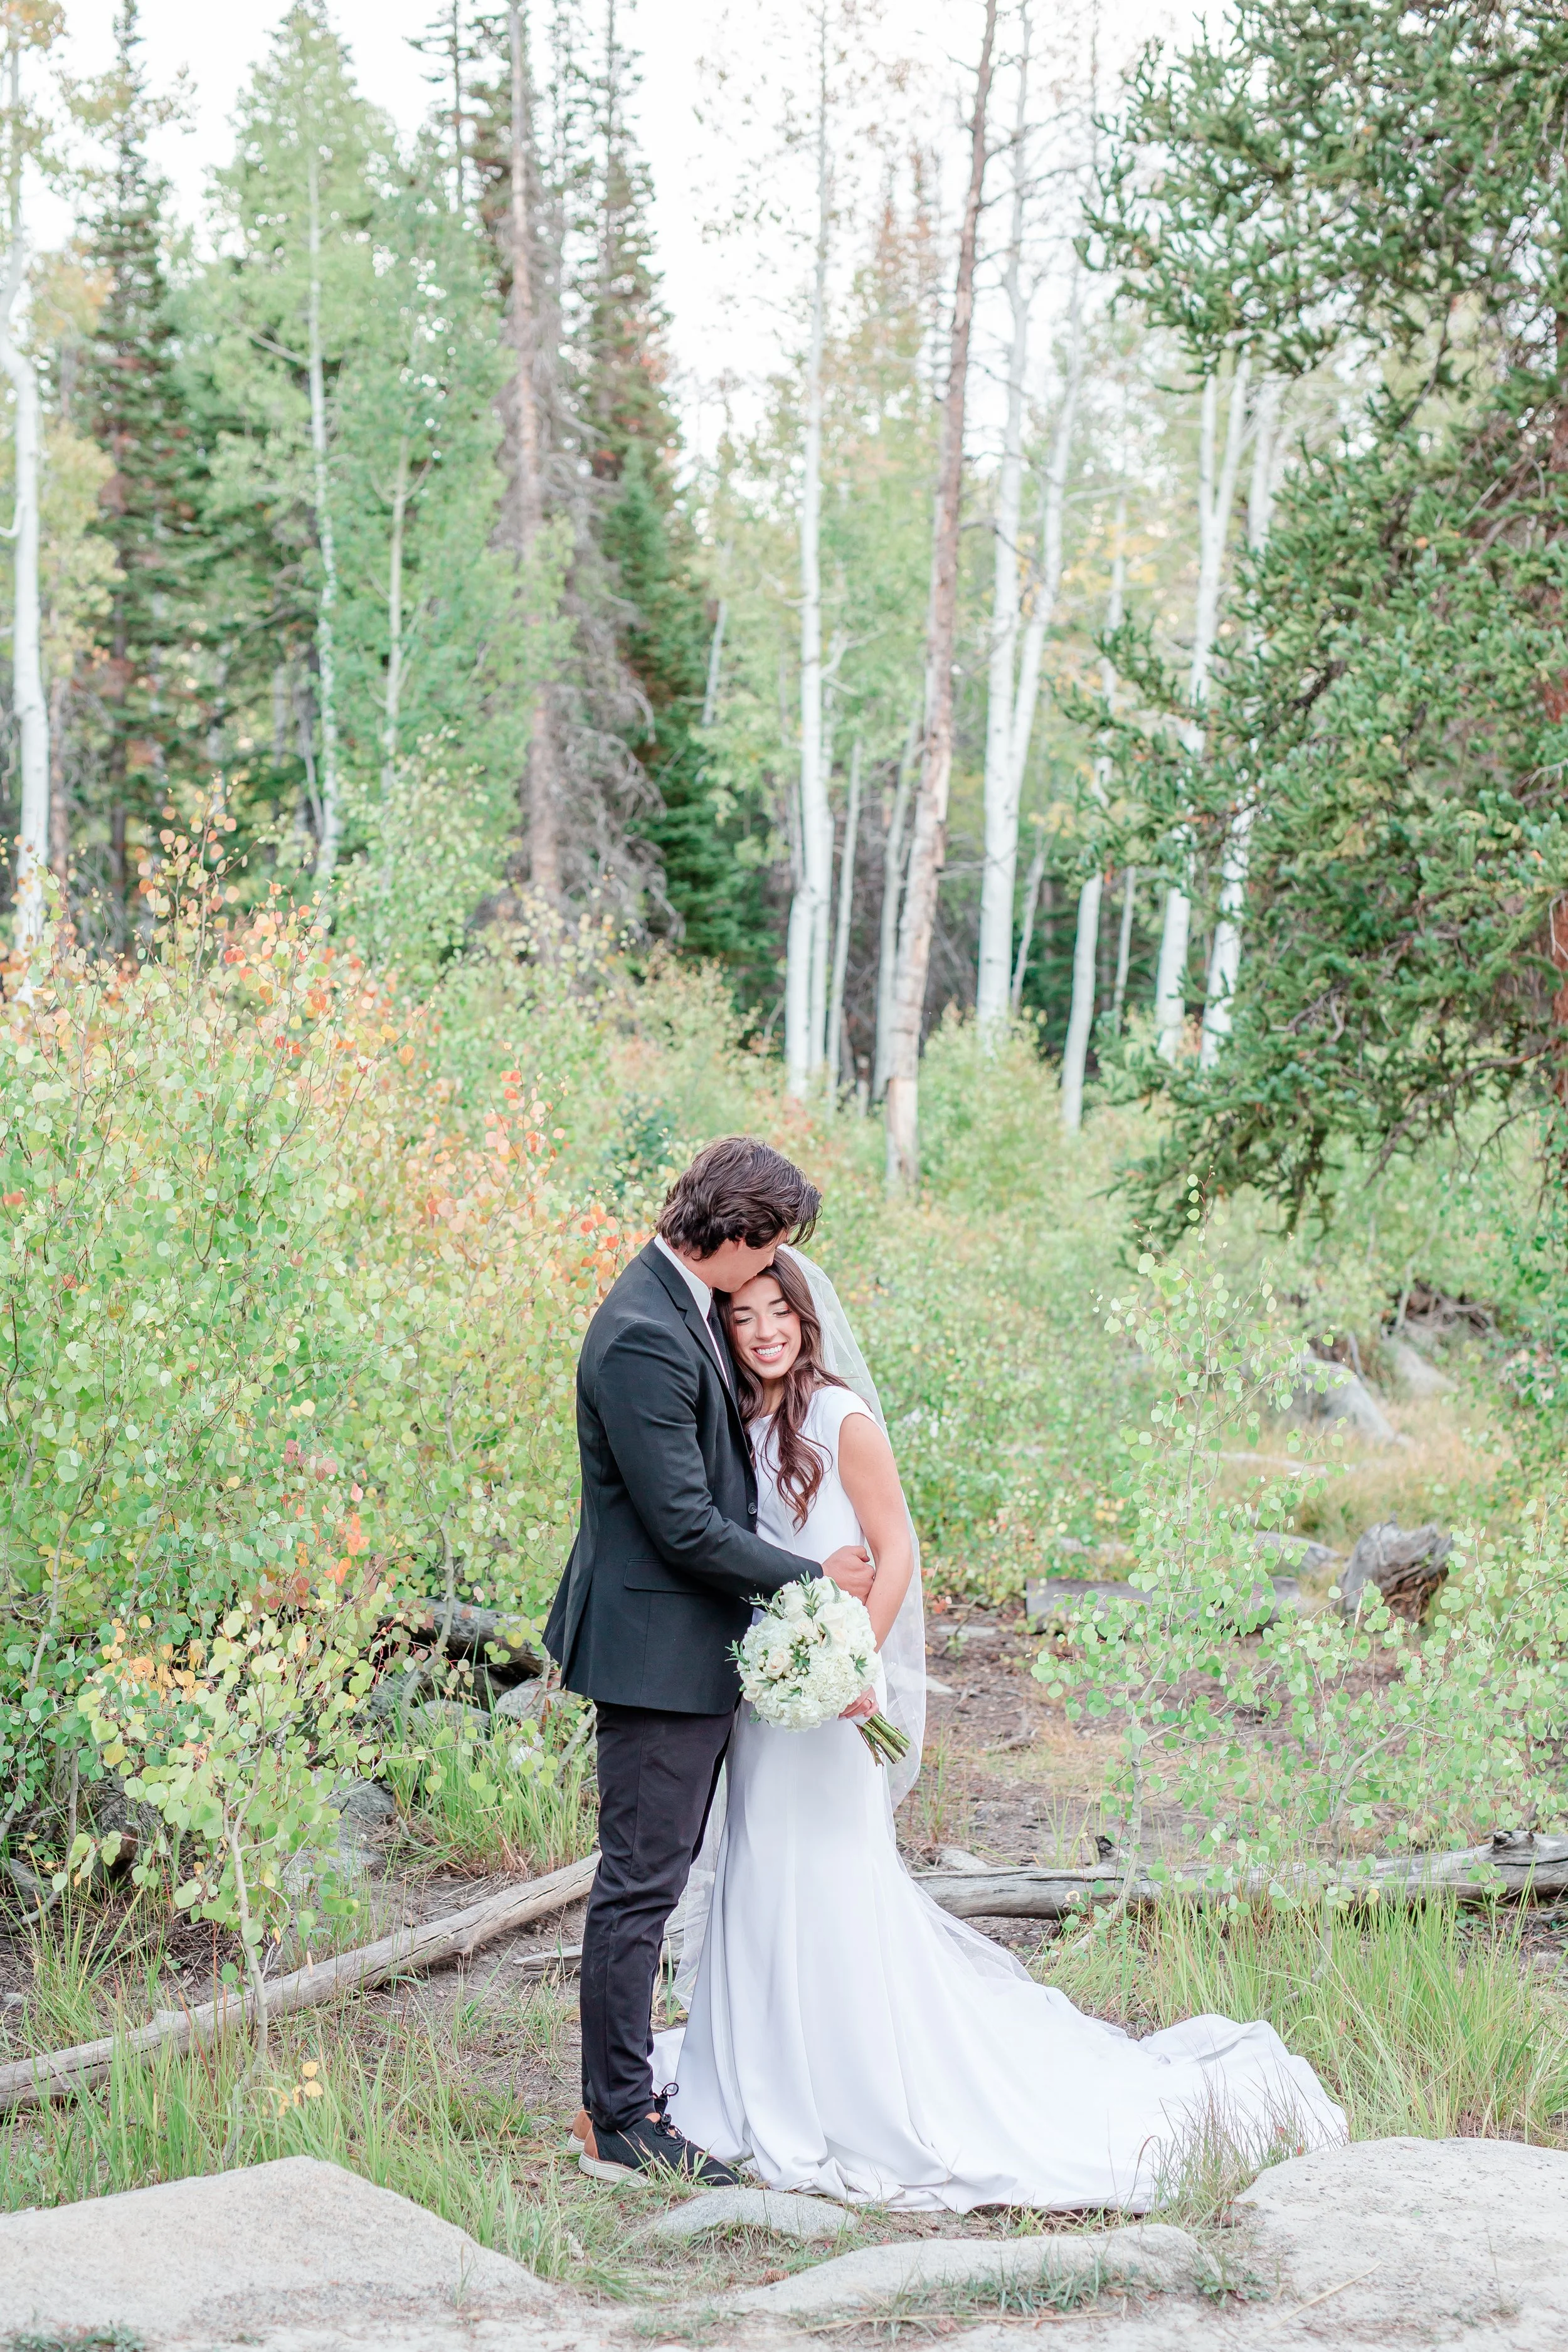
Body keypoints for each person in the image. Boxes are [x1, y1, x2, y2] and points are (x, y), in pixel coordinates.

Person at [653, 1248, 1348, 2211]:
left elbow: (895, 1548)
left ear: (806, 1319)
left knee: (833, 1877)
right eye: (743, 1317)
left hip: (834, 1697)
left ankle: (856, 2085)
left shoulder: (839, 1416)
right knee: (760, 1864)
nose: (763, 1330)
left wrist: (855, 1659)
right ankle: (762, 2069)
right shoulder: (742, 1421)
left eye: (778, 1311)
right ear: (726, 1330)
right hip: (769, 1703)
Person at [543, 1137, 875, 2185]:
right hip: (654, 1655)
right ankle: (621, 2117)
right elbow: (685, 1525)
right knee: (639, 1886)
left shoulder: (675, 1303)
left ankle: (634, 2095)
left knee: (659, 1875)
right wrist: (812, 1586)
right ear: (735, 1233)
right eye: (771, 1242)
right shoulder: (642, 1331)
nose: (774, 1265)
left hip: (686, 1649)